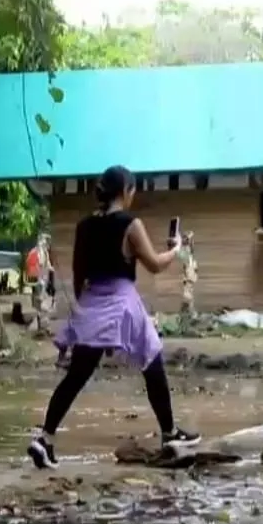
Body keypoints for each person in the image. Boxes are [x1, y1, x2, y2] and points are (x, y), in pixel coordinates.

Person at [28, 165, 200, 470]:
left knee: (77, 375)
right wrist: (175, 250)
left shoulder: (84, 227)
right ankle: (170, 433)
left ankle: (45, 438)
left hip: (92, 300)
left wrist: (83, 317)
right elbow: (155, 265)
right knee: (152, 360)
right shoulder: (130, 224)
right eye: (133, 191)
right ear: (127, 191)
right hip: (122, 301)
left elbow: (80, 273)